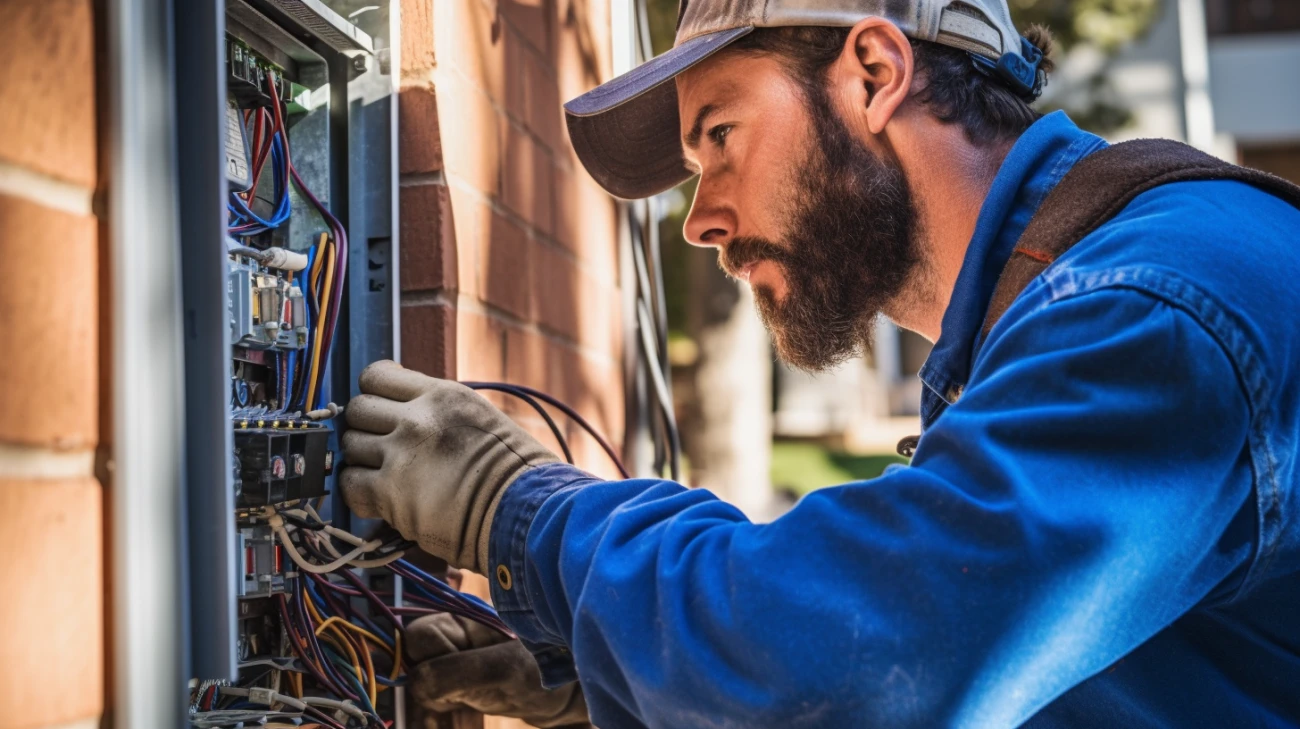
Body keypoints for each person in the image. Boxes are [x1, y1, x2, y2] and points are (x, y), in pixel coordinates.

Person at [339, 0, 1300, 725]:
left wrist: (520, 509)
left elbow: (869, 656)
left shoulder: (1153, 313)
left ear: (875, 72)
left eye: (720, 135)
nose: (703, 220)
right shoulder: (1077, 310)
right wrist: (602, 664)